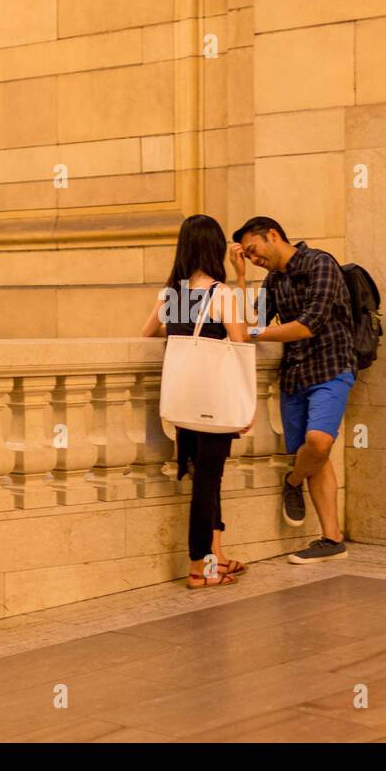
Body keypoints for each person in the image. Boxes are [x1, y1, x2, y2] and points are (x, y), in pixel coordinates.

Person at [231, 217, 355, 564]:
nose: (255, 259)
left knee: (318, 443)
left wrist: (254, 335)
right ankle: (332, 539)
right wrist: (241, 277)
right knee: (315, 454)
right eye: (249, 256)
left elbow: (307, 326)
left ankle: (292, 480)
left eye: (254, 251)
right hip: (294, 376)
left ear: (273, 235)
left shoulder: (320, 263)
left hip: (331, 368)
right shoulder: (272, 281)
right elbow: (250, 325)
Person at [141, 214, 251, 589]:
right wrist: (240, 282)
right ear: (215, 247)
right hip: (214, 401)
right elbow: (242, 341)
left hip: (184, 398)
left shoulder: (173, 293)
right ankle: (198, 569)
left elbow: (147, 331)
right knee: (208, 481)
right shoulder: (221, 294)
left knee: (205, 480)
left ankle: (215, 559)